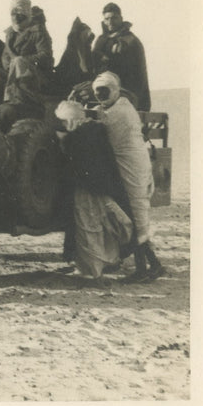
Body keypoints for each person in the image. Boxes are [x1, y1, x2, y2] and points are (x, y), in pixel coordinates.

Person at [92, 71, 164, 281]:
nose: (100, 97)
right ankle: (153, 265)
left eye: (104, 92)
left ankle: (144, 269)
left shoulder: (120, 113)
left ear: (114, 91)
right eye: (98, 93)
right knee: (135, 218)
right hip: (135, 166)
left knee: (136, 217)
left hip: (133, 169)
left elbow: (102, 128)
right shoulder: (120, 105)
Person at [55, 100, 134, 280]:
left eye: (64, 122)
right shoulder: (96, 130)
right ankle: (108, 262)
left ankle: (92, 269)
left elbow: (73, 166)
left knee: (88, 228)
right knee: (104, 226)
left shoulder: (77, 137)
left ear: (70, 121)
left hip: (87, 190)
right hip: (104, 187)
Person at [0, 0, 55, 131]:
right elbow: (5, 55)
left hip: (35, 76)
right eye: (13, 13)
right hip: (12, 73)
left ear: (27, 14)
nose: (16, 17)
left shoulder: (38, 31)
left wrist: (23, 61)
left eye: (20, 14)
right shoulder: (10, 33)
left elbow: (45, 56)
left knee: (19, 61)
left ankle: (16, 100)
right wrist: (7, 64)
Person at [91, 2, 151, 113]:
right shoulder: (101, 40)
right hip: (104, 90)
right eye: (107, 19)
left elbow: (133, 71)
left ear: (121, 18)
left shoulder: (130, 40)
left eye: (114, 18)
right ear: (104, 20)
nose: (110, 22)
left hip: (127, 92)